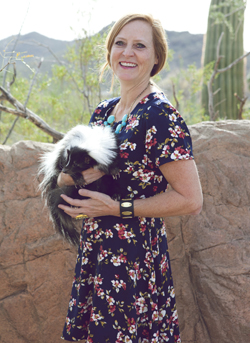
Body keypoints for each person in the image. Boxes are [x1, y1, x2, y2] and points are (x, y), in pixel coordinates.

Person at [59, 13, 203, 343]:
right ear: (109, 51)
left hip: (134, 257)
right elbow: (70, 178)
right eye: (120, 44)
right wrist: (79, 187)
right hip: (97, 247)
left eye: (139, 46)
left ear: (156, 58)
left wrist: (116, 208)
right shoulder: (103, 112)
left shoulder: (160, 116)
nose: (127, 53)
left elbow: (191, 199)